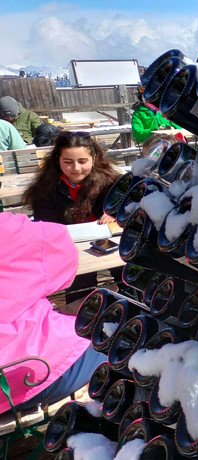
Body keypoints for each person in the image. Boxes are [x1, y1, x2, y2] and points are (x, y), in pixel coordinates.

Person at [0, 212, 106, 414]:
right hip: (28, 376)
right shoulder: (8, 229)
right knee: (114, 338)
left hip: (13, 378)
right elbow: (63, 256)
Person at [22, 131, 121, 225]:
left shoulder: (111, 185)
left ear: (93, 159)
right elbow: (46, 227)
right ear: (58, 160)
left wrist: (118, 214)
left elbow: (127, 208)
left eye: (82, 161)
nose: (76, 168)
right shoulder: (46, 190)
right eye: (68, 162)